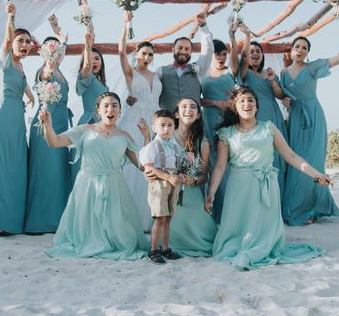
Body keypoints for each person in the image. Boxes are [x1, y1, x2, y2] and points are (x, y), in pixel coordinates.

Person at [205, 86, 330, 270]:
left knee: (263, 232)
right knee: (239, 234)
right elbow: (220, 166)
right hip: (239, 188)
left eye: (250, 100)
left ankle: (260, 248)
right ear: (235, 107)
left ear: (256, 107)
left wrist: (316, 174)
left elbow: (291, 156)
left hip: (266, 186)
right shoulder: (227, 133)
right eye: (242, 101)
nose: (247, 104)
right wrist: (212, 193)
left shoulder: (269, 128)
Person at [40, 92, 148, 260]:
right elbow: (54, 142)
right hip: (87, 185)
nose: (110, 109)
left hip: (114, 187)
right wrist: (47, 124)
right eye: (106, 105)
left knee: (122, 238)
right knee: (87, 229)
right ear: (98, 110)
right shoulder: (85, 129)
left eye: (114, 105)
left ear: (120, 111)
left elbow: (143, 165)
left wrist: (147, 138)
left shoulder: (125, 136)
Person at [280, 21, 339, 226]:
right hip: (294, 117)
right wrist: (284, 99)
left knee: (313, 161)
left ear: (307, 52)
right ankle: (295, 205)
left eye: (304, 48)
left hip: (313, 117)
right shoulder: (283, 73)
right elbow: (281, 94)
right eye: (297, 47)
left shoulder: (312, 67)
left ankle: (312, 207)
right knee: (295, 162)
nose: (300, 50)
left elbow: (338, 58)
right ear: (291, 50)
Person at [0, 3, 34, 235]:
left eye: (28, 42)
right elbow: (6, 38)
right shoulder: (4, 60)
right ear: (12, 43)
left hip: (17, 118)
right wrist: (11, 16)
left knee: (16, 166)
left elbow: (26, 89)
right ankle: (0, 222)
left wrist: (32, 98)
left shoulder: (21, 67)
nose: (24, 45)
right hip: (2, 115)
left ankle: (13, 220)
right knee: (1, 166)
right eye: (20, 41)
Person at [118, 11, 161, 231]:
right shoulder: (130, 73)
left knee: (153, 166)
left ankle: (149, 217)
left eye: (150, 54)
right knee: (135, 167)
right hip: (134, 123)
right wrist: (127, 25)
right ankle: (128, 218)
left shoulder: (157, 75)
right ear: (137, 54)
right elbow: (120, 51)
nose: (147, 57)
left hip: (154, 124)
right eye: (144, 53)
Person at [25, 28, 71, 234]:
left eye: (58, 51)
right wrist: (49, 58)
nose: (56, 53)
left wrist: (56, 29)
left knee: (58, 172)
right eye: (52, 51)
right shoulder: (46, 70)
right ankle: (41, 221)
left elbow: (64, 42)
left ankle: (58, 219)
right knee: (46, 172)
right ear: (45, 53)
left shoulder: (59, 68)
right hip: (46, 124)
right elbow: (46, 75)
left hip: (62, 125)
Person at [239, 25, 290, 203]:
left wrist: (272, 81)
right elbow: (243, 59)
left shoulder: (268, 72)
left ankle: (278, 200)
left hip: (273, 114)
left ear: (262, 55)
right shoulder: (245, 73)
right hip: (255, 116)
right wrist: (246, 36)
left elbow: (280, 95)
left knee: (277, 156)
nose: (254, 53)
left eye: (258, 51)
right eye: (251, 51)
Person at [200, 22, 240, 222]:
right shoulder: (203, 75)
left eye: (224, 53)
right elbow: (197, 100)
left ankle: (232, 208)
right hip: (208, 118)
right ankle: (215, 206)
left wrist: (232, 36)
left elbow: (238, 97)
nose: (221, 57)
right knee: (213, 159)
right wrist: (215, 102)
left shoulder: (230, 72)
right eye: (218, 54)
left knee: (230, 160)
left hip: (228, 120)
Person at [168, 97, 217, 257]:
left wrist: (193, 180)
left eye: (193, 107)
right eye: (184, 106)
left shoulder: (202, 143)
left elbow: (204, 175)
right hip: (169, 193)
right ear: (176, 114)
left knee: (208, 236)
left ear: (198, 115)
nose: (188, 109)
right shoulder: (164, 137)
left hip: (192, 194)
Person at [138, 109, 183, 264]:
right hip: (159, 184)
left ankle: (165, 248)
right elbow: (149, 168)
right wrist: (168, 177)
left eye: (170, 125)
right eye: (162, 125)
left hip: (173, 184)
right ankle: (153, 249)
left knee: (168, 217)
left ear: (174, 126)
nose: (166, 129)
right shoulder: (152, 146)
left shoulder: (174, 146)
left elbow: (178, 164)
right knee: (159, 218)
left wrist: (180, 174)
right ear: (154, 127)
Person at [156, 11, 213, 111]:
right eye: (180, 48)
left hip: (193, 123)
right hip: (169, 123)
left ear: (191, 52)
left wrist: (203, 26)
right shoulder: (161, 71)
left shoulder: (199, 68)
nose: (183, 51)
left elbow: (208, 50)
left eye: (187, 49)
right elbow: (152, 93)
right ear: (173, 49)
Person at [73, 31, 107, 185]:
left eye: (97, 58)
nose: (94, 61)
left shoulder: (103, 84)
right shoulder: (86, 77)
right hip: (89, 124)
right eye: (91, 58)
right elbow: (87, 64)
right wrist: (87, 46)